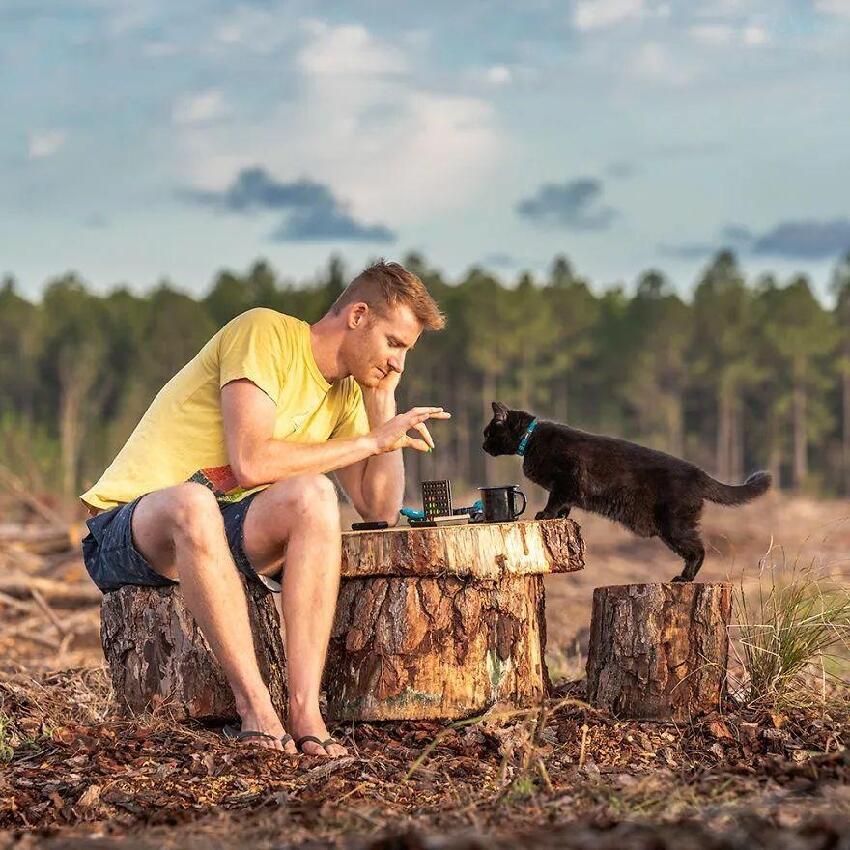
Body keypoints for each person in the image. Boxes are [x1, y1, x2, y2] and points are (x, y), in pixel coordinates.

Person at [79, 261, 449, 757]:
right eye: (394, 343)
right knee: (193, 503)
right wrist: (368, 442)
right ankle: (256, 711)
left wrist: (382, 403)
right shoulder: (264, 332)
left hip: (221, 529)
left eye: (406, 352)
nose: (399, 361)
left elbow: (379, 508)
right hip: (129, 526)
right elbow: (251, 462)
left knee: (316, 496)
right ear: (358, 315)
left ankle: (306, 715)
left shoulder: (347, 395)